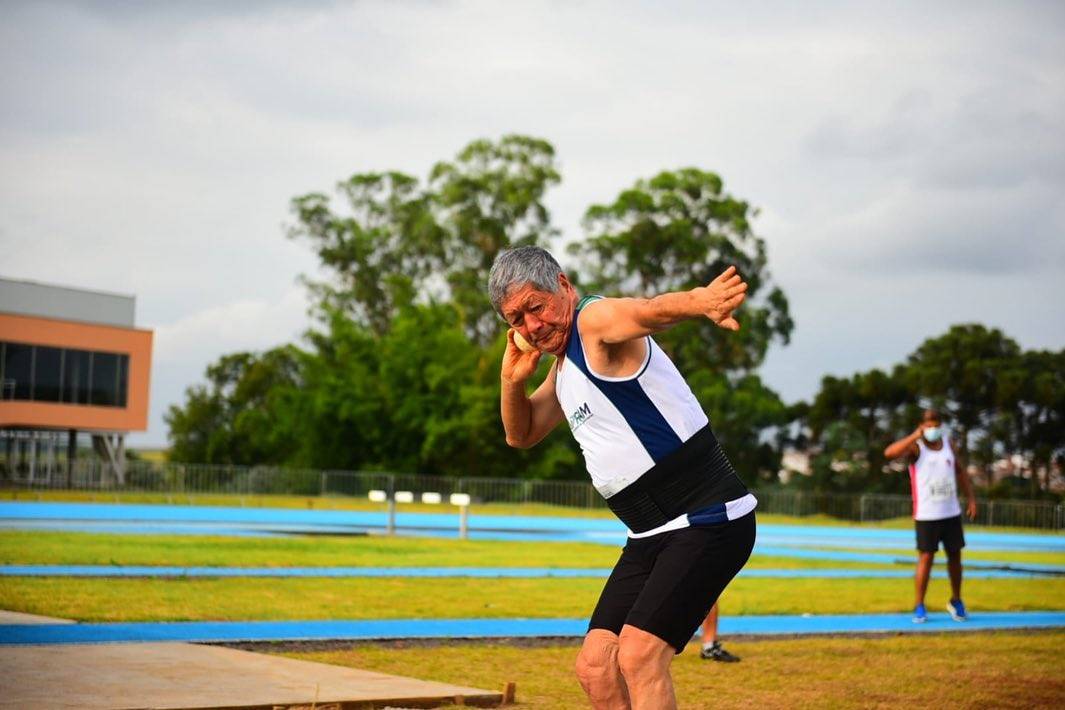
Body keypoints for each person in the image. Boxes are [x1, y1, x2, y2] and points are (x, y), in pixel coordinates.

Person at [489, 246, 756, 710]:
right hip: (648, 533)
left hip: (705, 515)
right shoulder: (563, 369)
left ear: (563, 286)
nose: (532, 325)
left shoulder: (592, 323)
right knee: (596, 667)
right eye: (517, 319)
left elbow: (648, 312)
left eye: (536, 306)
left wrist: (702, 301)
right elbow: (521, 434)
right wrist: (512, 382)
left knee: (638, 655)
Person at [884, 408, 977, 623]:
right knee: (926, 558)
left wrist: (971, 498)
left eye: (936, 425)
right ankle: (919, 605)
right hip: (927, 514)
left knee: (955, 556)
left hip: (951, 512)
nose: (933, 429)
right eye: (928, 425)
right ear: (921, 426)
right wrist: (915, 436)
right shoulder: (916, 447)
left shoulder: (948, 445)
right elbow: (889, 453)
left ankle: (956, 600)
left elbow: (960, 471)